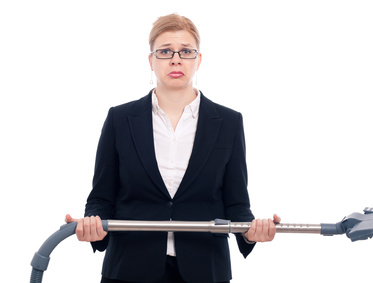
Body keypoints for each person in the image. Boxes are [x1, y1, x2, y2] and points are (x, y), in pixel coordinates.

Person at [66, 14, 280, 283]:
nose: (176, 59)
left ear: (198, 60)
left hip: (205, 270)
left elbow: (236, 203)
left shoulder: (229, 122)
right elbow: (101, 197)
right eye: (165, 51)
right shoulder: (119, 119)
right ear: (151, 61)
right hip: (129, 269)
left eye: (186, 51)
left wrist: (251, 230)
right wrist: (93, 222)